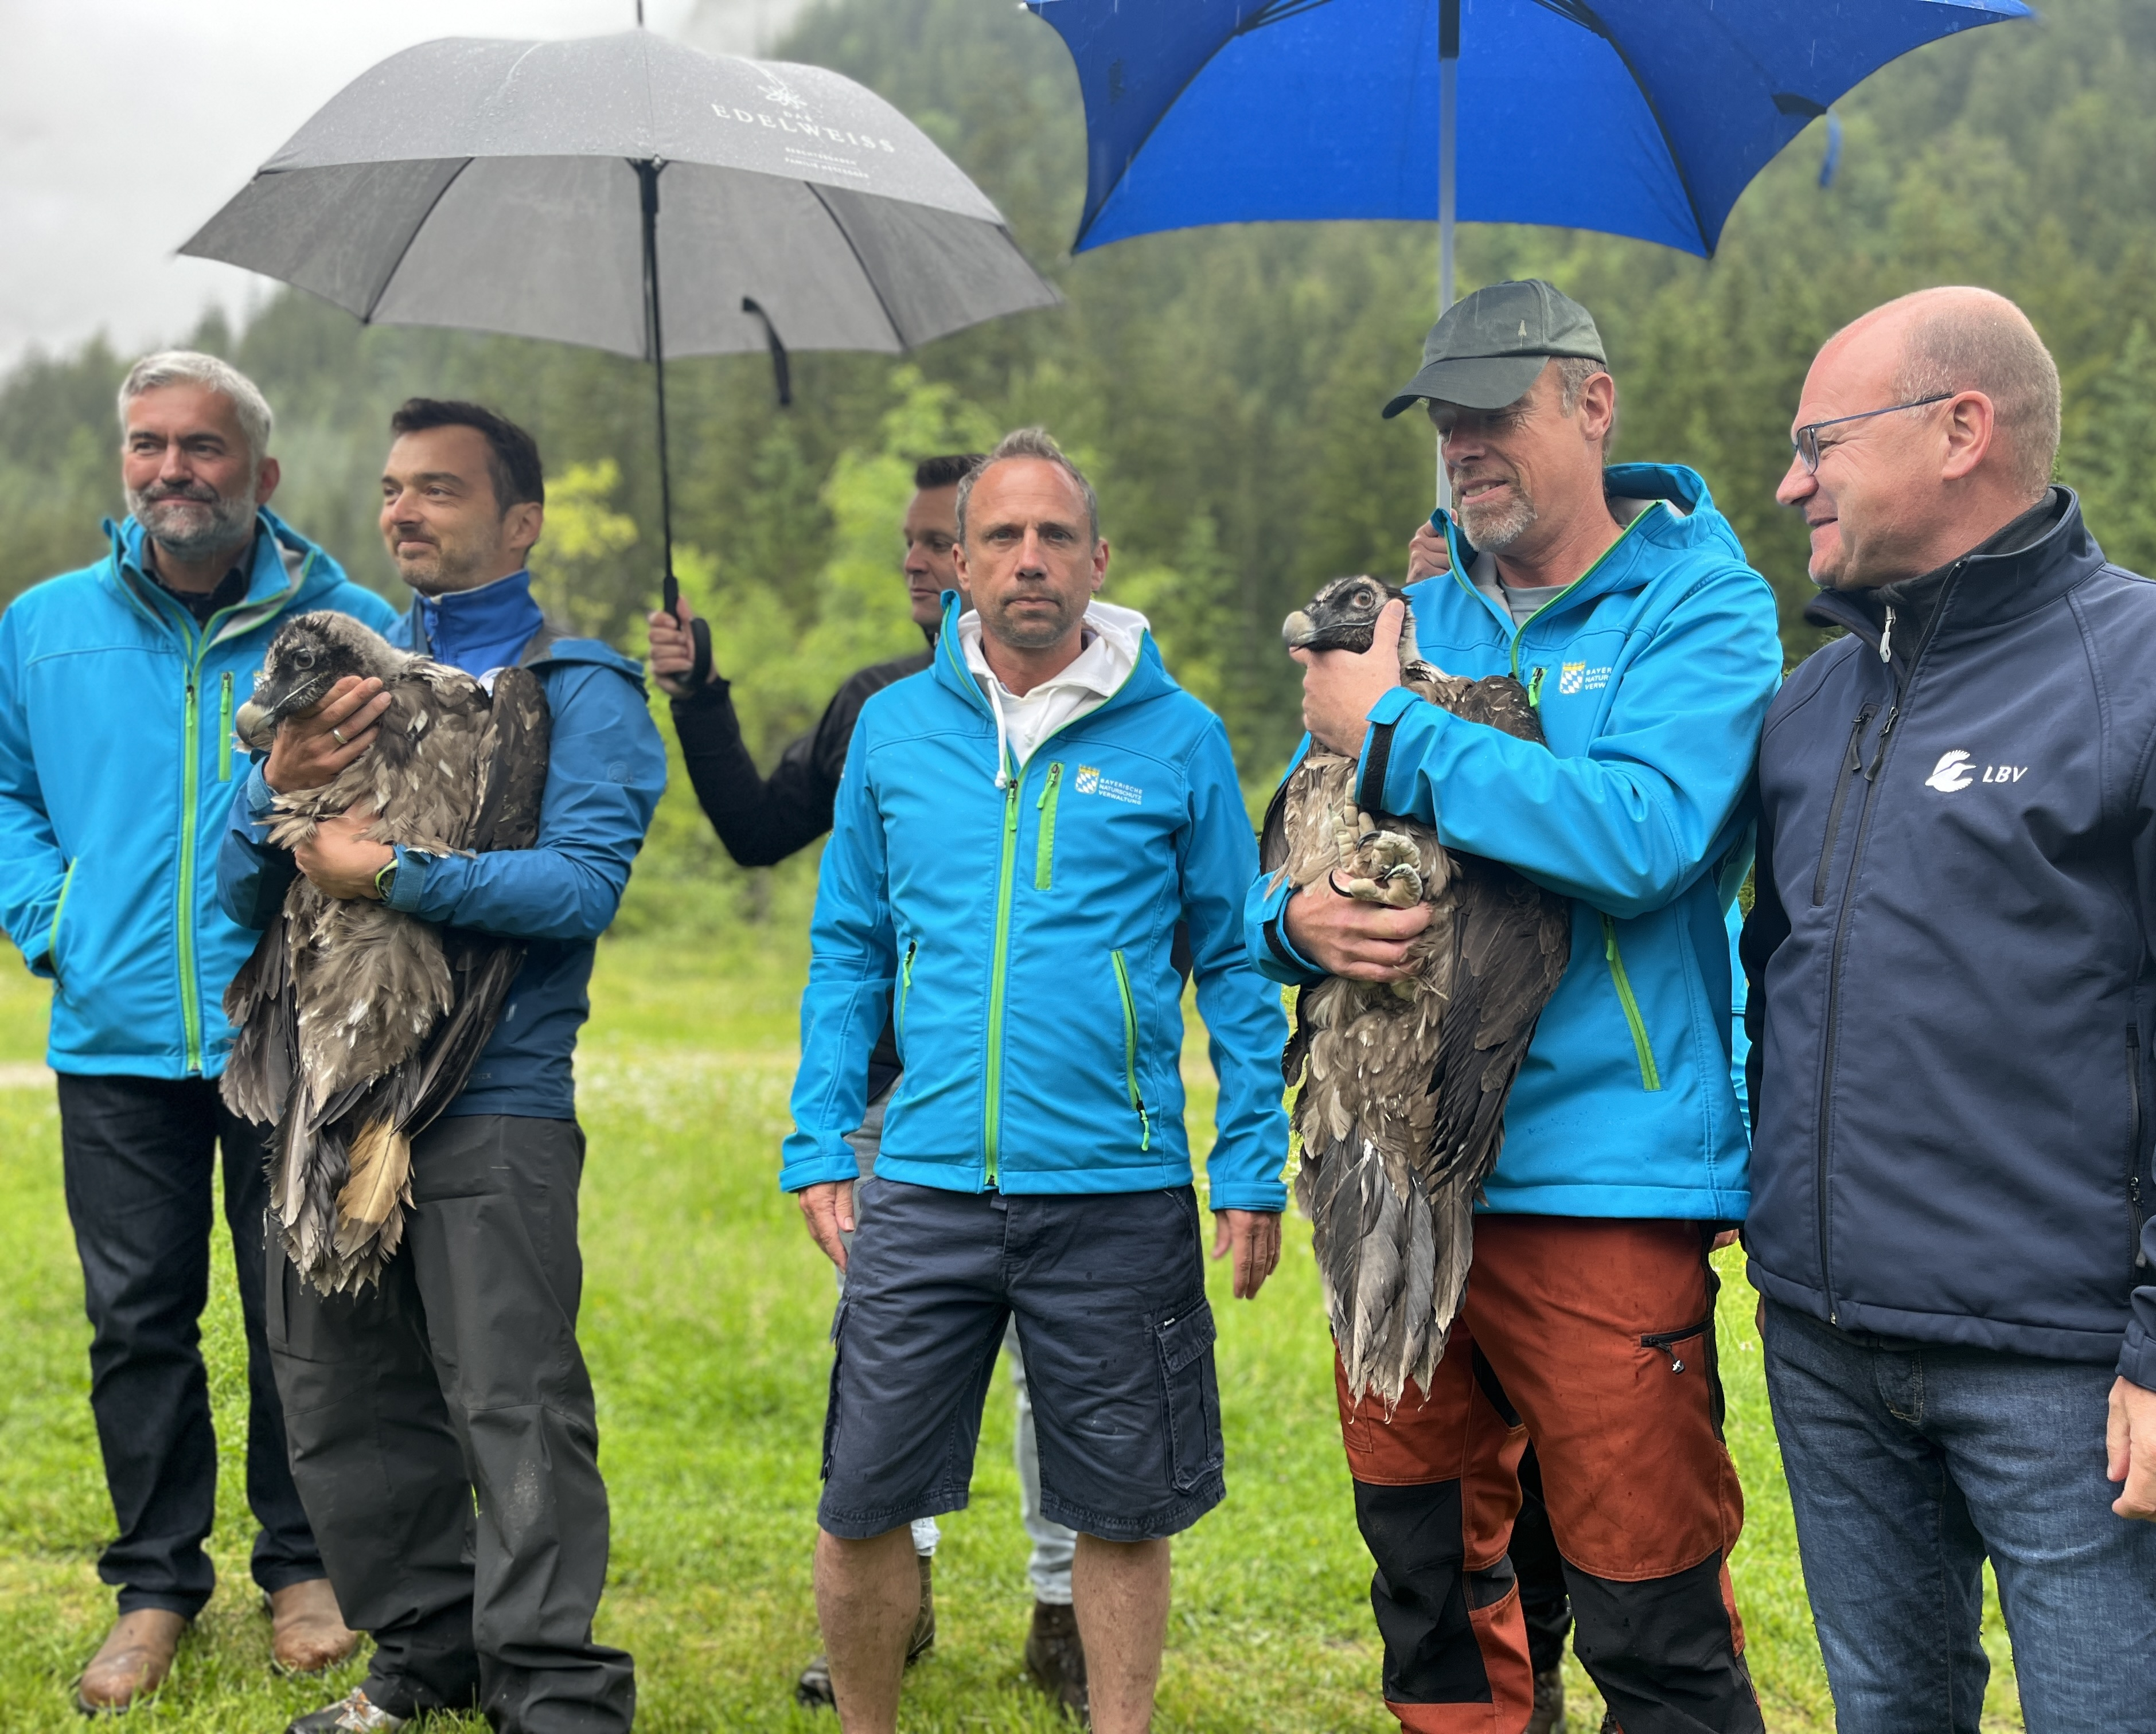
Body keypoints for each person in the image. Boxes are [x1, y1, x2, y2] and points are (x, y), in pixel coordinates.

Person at [1741, 287, 2156, 1733]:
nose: (1790, 479)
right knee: (1886, 1713)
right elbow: (1775, 976)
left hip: (2070, 1371)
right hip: (1824, 1344)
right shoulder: (1812, 708)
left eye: (1820, 442)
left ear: (1961, 430)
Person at [1245, 279, 1782, 1734]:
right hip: (1395, 1182)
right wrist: (1296, 925)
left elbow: (1648, 835)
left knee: (1648, 1605)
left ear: (1591, 405)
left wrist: (1400, 731)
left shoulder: (1703, 609)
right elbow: (1289, 846)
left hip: (1597, 1178)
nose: (1465, 442)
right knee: (1431, 1592)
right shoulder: (1406, 618)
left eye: (1496, 411)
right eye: (1445, 418)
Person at [783, 427, 1287, 1734]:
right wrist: (820, 1137)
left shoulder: (1177, 739)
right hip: (926, 1180)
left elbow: (1233, 963)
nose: (1027, 560)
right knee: (862, 1499)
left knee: (1124, 1508)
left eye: (1054, 536)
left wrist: (1249, 1160)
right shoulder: (896, 731)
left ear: (1098, 559)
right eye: (998, 537)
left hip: (1115, 1192)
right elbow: (847, 947)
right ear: (956, 563)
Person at [218, 399, 666, 1734]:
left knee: (511, 1400)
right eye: (395, 488)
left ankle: (553, 1690)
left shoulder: (580, 688)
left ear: (519, 523)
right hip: (321, 1100)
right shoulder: (327, 674)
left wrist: (395, 873)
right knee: (334, 1388)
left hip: (493, 1101)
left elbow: (580, 887)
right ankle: (424, 1653)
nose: (406, 511)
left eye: (444, 492)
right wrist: (268, 787)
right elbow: (236, 885)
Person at [645, 454, 1088, 1714]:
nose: (914, 558)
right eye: (911, 540)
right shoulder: (876, 707)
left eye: (931, 536)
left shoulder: (1098, 708)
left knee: (1059, 1374)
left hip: (1058, 1110)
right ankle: (905, 1602)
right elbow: (754, 830)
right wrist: (702, 694)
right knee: (895, 1361)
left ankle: (1064, 1613)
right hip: (903, 1100)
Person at [0, 352, 389, 1710]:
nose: (174, 469)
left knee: (305, 1315)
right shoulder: (41, 626)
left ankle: (306, 1567)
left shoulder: (350, 624)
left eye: (204, 448)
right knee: (138, 1322)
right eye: (149, 445)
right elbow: (3, 791)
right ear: (126, 463)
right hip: (113, 1036)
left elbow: (407, 803)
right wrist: (52, 915)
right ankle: (155, 1585)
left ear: (262, 474)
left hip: (288, 1036)